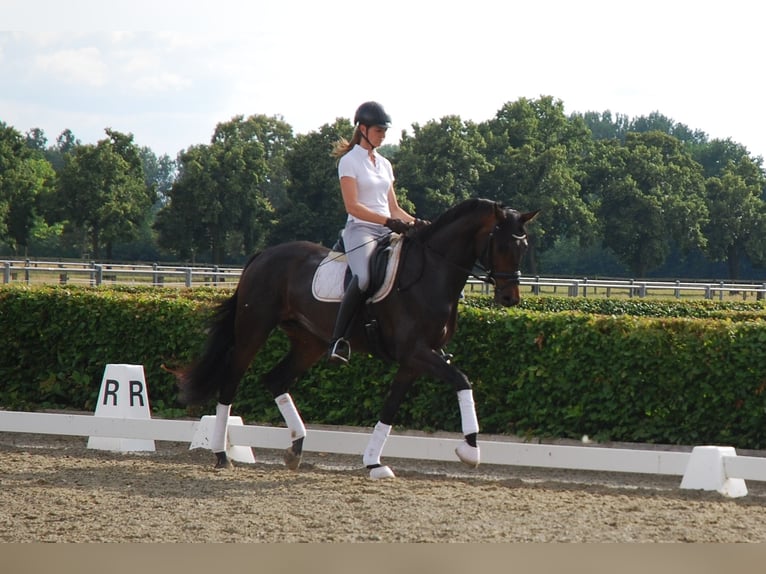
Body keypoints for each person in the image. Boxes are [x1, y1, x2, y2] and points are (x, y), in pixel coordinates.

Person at [328, 101, 425, 364]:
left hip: (387, 229)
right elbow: (353, 206)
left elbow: (394, 207)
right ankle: (339, 340)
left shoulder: (385, 164)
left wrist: (417, 223)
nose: (383, 135)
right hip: (361, 230)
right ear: (363, 129)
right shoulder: (349, 162)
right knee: (363, 278)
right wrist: (386, 221)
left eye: (385, 131)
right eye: (379, 130)